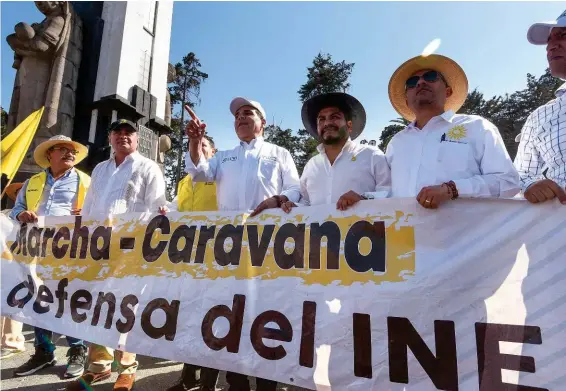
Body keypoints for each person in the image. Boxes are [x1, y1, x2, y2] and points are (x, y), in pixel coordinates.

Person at [185, 97, 301, 391]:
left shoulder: (280, 153)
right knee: (233, 312)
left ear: (262, 123)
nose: (241, 117)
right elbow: (199, 173)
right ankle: (236, 381)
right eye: (237, 114)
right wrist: (196, 142)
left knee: (268, 312)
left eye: (248, 113)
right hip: (230, 248)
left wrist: (280, 199)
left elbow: (297, 189)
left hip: (269, 248)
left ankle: (267, 382)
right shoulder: (223, 157)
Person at [67, 119, 167, 391]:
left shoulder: (149, 167)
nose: (123, 136)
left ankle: (127, 368)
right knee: (97, 305)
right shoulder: (100, 169)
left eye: (128, 132)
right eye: (117, 132)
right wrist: (82, 237)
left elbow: (157, 208)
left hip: (129, 249)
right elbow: (89, 207)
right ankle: (99, 367)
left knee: (123, 307)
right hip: (97, 248)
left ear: (136, 139)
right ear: (110, 137)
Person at [385, 54, 520, 207]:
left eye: (430, 77)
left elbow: (508, 182)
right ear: (407, 100)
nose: (421, 82)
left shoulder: (477, 127)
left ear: (448, 91)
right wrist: (362, 198)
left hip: (468, 231)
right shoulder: (396, 143)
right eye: (412, 82)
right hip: (404, 230)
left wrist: (453, 189)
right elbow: (387, 193)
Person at [9, 135, 90, 378]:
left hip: (71, 251)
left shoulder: (86, 181)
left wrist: (87, 214)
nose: (70, 153)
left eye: (72, 150)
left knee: (70, 300)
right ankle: (44, 351)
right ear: (49, 155)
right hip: (36, 250)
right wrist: (21, 215)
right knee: (38, 300)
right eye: (63, 149)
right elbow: (16, 209)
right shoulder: (32, 182)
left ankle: (77, 350)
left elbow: (102, 214)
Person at [166, 136, 219, 391]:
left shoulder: (221, 178)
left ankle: (208, 382)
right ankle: (188, 376)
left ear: (213, 152)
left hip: (215, 258)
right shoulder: (184, 182)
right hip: (187, 259)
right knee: (188, 318)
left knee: (213, 318)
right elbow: (176, 208)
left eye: (203, 147)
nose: (197, 152)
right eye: (193, 148)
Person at [280, 92, 391, 213]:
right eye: (321, 120)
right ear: (317, 129)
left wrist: (363, 198)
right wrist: (295, 207)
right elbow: (306, 203)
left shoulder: (371, 155)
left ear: (349, 125)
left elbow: (389, 193)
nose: (327, 123)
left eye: (334, 117)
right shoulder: (311, 166)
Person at [514, 10, 566, 204]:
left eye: (564, 35)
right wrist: (531, 185)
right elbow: (520, 173)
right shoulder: (540, 116)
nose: (551, 47)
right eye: (550, 40)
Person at [1, 182, 26, 360]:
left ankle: (13, 341)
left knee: (15, 302)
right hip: (5, 263)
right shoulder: (4, 215)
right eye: (18, 192)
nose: (21, 194)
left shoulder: (38, 217)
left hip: (22, 264)